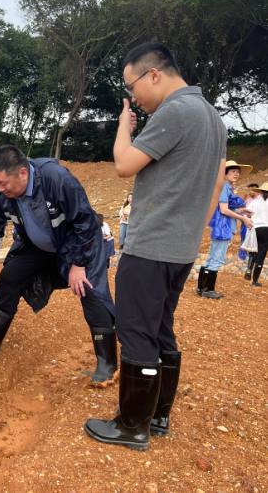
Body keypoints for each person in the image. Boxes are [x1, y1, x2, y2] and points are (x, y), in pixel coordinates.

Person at [84, 42, 227, 452]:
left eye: (131, 87)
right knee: (161, 327)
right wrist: (191, 231)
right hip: (180, 248)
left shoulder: (175, 111)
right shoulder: (213, 118)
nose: (133, 98)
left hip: (151, 246)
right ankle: (158, 416)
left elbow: (123, 164)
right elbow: (217, 183)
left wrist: (124, 126)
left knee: (135, 330)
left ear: (153, 74)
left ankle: (132, 425)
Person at [0, 146, 118, 386]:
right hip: (37, 245)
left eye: (3, 183)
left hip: (77, 243)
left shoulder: (57, 179)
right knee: (10, 275)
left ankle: (107, 363)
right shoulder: (3, 193)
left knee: (88, 289)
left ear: (23, 173)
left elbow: (86, 223)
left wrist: (79, 265)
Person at [198, 160, 254, 298]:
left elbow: (225, 209)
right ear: (225, 173)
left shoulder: (226, 187)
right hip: (223, 228)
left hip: (221, 227)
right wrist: (243, 219)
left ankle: (201, 288)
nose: (236, 174)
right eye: (233, 171)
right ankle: (208, 290)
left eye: (238, 172)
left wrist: (242, 211)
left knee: (212, 257)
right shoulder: (224, 187)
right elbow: (224, 210)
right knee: (217, 258)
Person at [248, 183, 268, 287]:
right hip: (266, 228)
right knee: (262, 252)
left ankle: (249, 268)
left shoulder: (254, 202)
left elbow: (247, 213)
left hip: (255, 228)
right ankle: (255, 280)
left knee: (255, 250)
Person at [243, 183, 260, 280]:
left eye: (250, 190)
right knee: (253, 248)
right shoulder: (249, 200)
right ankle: (250, 270)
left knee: (257, 248)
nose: (249, 192)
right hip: (250, 226)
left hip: (257, 226)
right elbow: (244, 211)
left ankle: (251, 270)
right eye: (248, 190)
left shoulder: (260, 201)